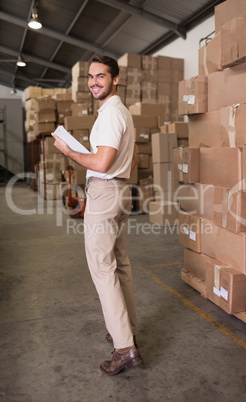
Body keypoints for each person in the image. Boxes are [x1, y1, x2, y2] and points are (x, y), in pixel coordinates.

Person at [52, 55, 141, 376]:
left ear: (115, 79)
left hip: (105, 192)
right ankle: (126, 330)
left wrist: (69, 151)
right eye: (90, 77)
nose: (93, 82)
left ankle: (124, 348)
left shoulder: (110, 115)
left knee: (103, 269)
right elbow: (123, 163)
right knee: (121, 263)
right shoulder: (121, 113)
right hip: (121, 190)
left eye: (100, 76)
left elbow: (102, 163)